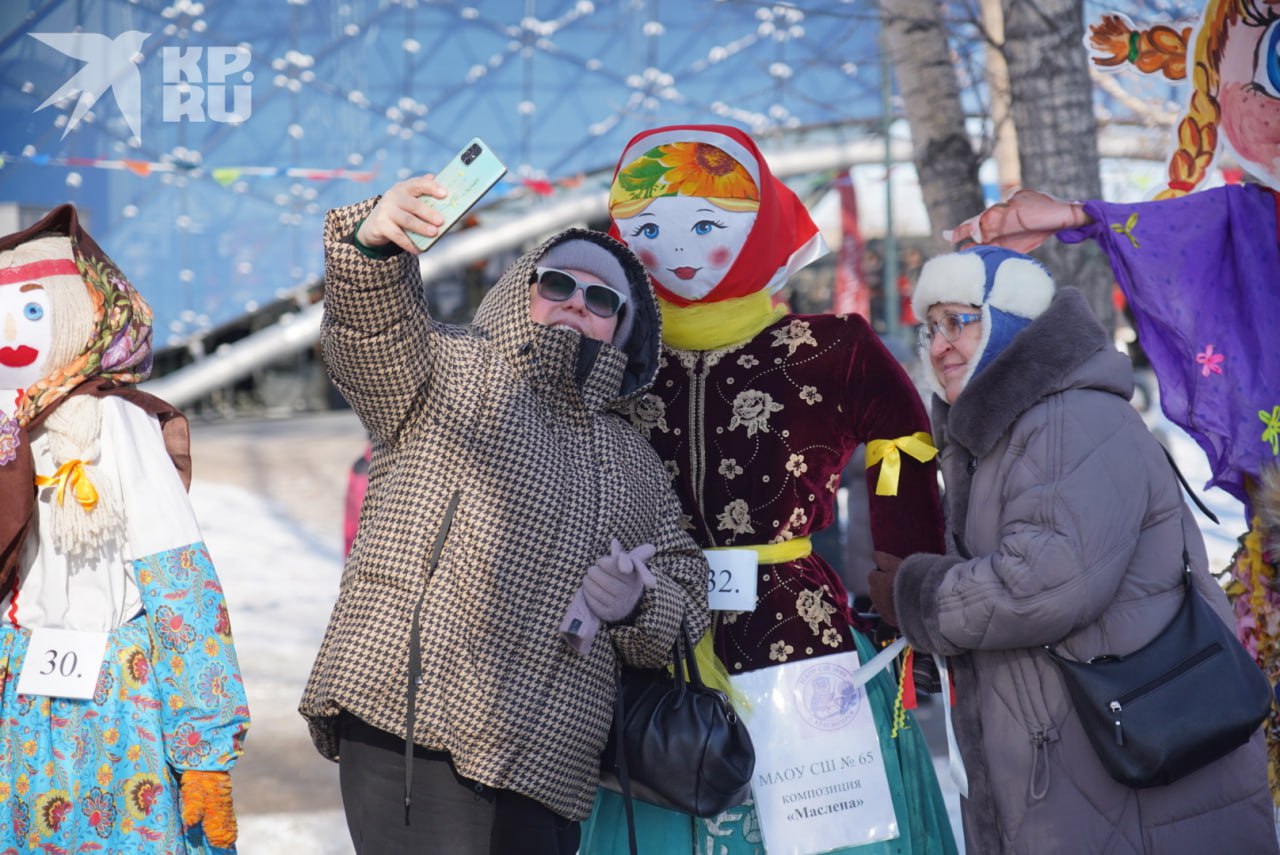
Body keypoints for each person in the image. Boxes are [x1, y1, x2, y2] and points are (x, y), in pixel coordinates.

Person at [298, 173, 710, 855]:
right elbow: (370, 335)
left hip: (548, 758)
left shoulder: (634, 459)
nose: (577, 302)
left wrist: (640, 598)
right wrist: (371, 252)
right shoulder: (447, 366)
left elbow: (685, 592)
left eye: (601, 298)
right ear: (522, 290)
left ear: (623, 329)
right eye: (557, 285)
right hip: (410, 716)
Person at [580, 124, 955, 854]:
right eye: (648, 227)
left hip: (797, 635)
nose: (678, 247)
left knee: (820, 829)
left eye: (709, 225)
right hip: (650, 639)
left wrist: (903, 586)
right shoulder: (609, 360)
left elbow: (904, 445)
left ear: (761, 229)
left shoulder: (831, 350)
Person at [871, 244, 1276, 854]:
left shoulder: (1067, 418)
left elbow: (1044, 583)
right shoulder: (1006, 431)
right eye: (929, 327)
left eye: (960, 320)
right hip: (1088, 755)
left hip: (1126, 765)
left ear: (1011, 321)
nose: (938, 345)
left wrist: (920, 598)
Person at [0, 205, 249, 851]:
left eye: (31, 312)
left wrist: (206, 745)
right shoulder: (7, 433)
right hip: (23, 701)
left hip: (119, 703)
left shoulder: (115, 424)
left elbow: (181, 582)